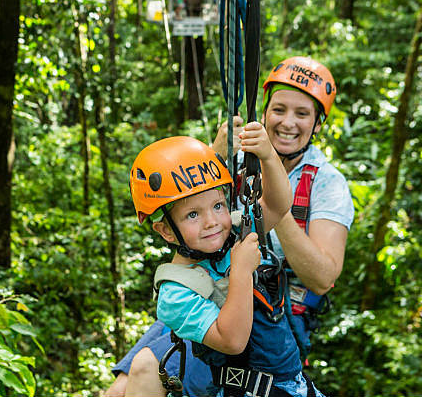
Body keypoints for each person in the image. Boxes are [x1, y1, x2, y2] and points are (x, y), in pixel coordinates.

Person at [106, 56, 354, 397]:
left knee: (146, 370)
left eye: (302, 113)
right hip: (204, 286)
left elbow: (323, 277)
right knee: (119, 387)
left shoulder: (325, 182)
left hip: (270, 304)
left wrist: (266, 174)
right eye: (279, 110)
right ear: (264, 113)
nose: (287, 122)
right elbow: (187, 203)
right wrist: (215, 155)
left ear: (317, 123)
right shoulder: (236, 159)